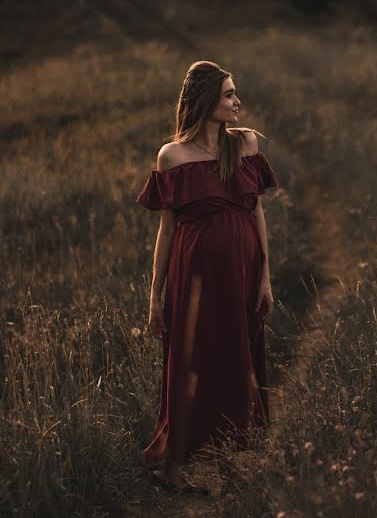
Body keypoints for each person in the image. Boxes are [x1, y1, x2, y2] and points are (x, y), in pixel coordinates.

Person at [136, 60, 278, 494]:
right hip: (192, 275)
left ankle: (230, 455)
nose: (238, 102)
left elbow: (256, 211)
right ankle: (177, 465)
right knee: (192, 357)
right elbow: (167, 227)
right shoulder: (172, 156)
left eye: (235, 93)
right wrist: (155, 294)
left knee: (237, 357)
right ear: (206, 102)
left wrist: (265, 276)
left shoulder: (247, 144)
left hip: (241, 271)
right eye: (229, 95)